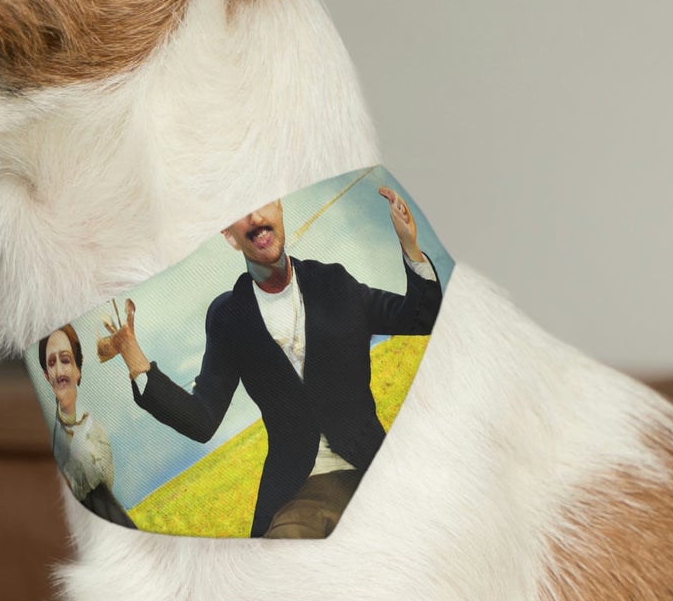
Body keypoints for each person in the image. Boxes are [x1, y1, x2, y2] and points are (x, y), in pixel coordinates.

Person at [101, 186, 441, 538]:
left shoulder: (334, 283)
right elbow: (202, 420)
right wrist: (135, 359)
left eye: (262, 201)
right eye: (239, 211)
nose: (256, 217)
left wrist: (410, 247)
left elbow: (417, 319)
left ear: (279, 207)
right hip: (299, 490)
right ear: (229, 236)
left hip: (371, 466)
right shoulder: (228, 318)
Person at [39, 323, 136, 529]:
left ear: (78, 368)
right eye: (51, 363)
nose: (59, 371)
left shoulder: (94, 427)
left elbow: (102, 479)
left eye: (65, 360)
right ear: (46, 376)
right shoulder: (52, 435)